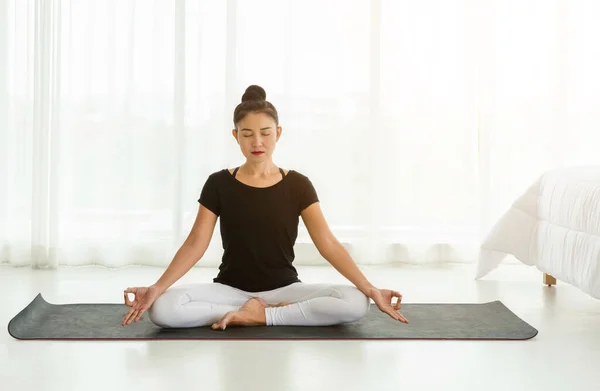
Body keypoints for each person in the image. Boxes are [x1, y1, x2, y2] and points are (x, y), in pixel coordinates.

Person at [121, 85, 408, 330]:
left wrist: (371, 288)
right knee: (164, 308)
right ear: (235, 136)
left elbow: (328, 244)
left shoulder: (298, 184)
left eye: (265, 133)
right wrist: (156, 288)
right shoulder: (218, 183)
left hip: (285, 290)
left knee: (356, 302)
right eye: (247, 134)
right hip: (230, 290)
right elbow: (196, 243)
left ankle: (263, 316)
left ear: (278, 133)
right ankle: (254, 312)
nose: (257, 142)